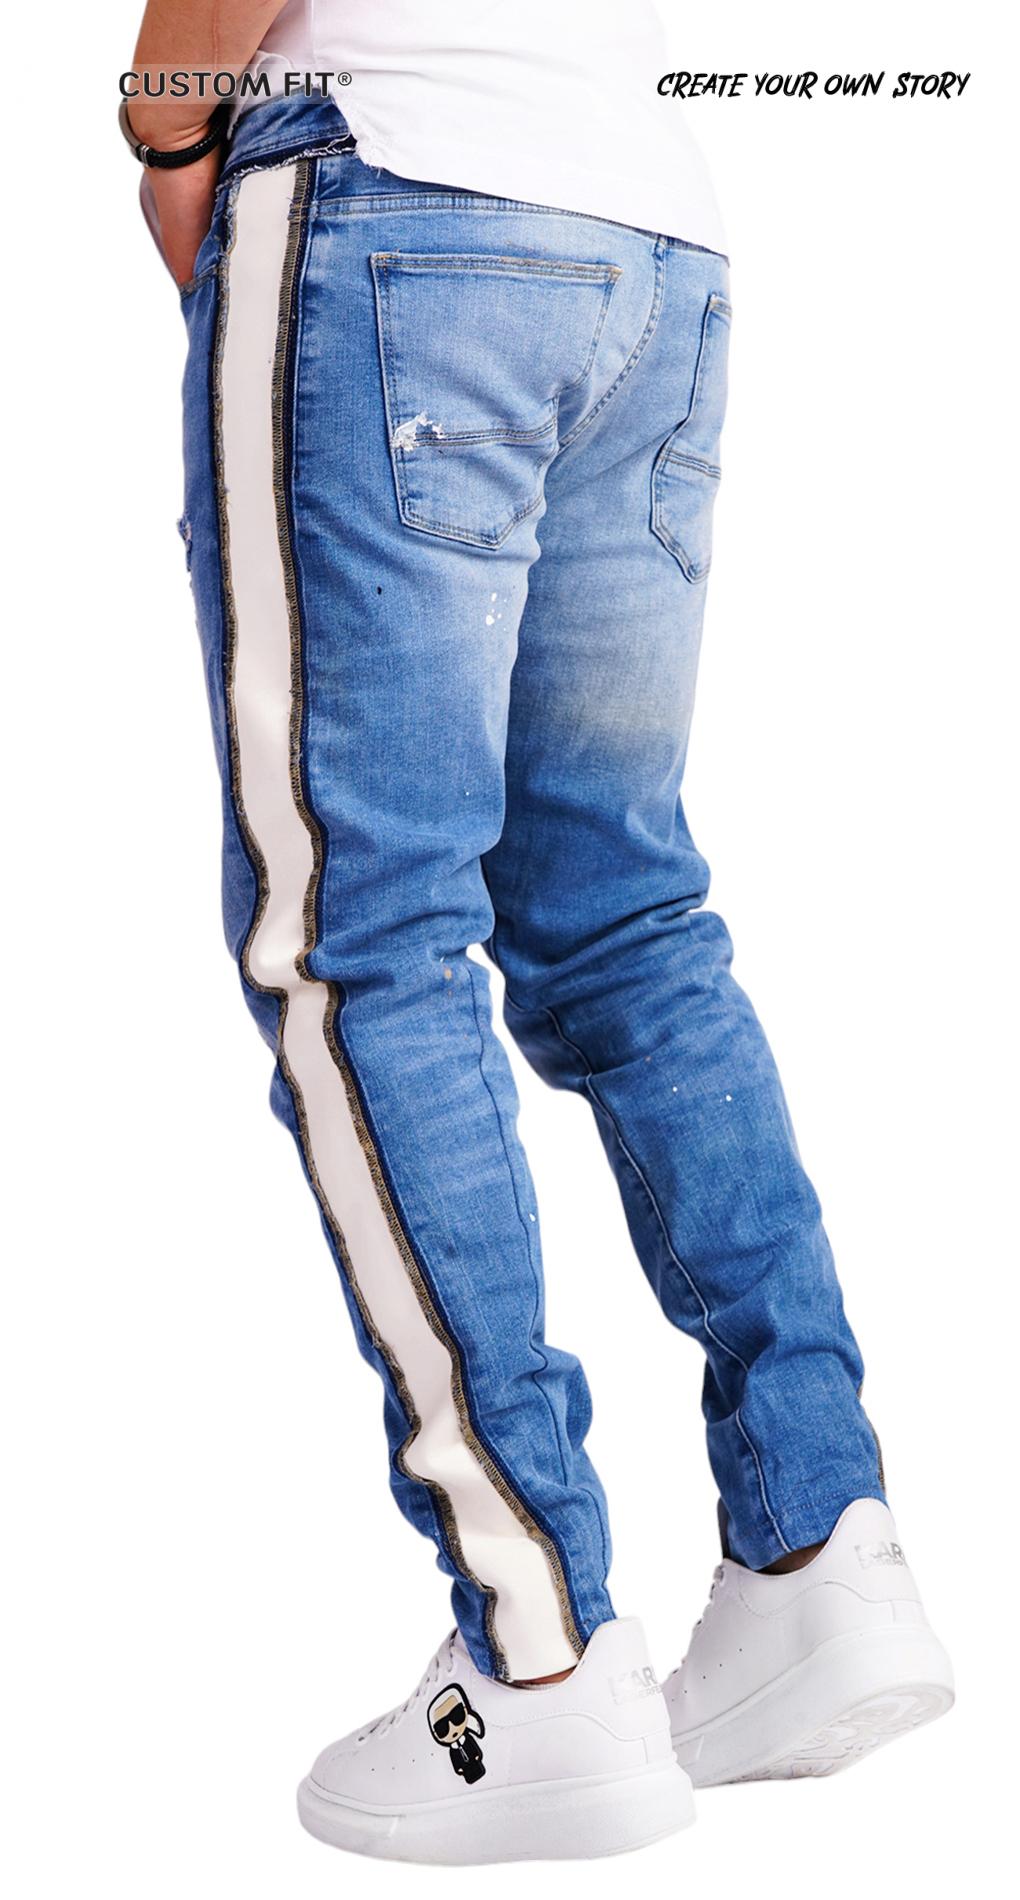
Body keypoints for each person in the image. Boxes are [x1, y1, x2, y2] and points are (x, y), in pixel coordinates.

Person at [123, 0, 954, 1865]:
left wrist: (167, 126)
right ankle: (821, 1559)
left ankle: (537, 1660)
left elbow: (203, 57)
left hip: (397, 190)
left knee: (357, 942)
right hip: (646, 231)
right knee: (624, 918)